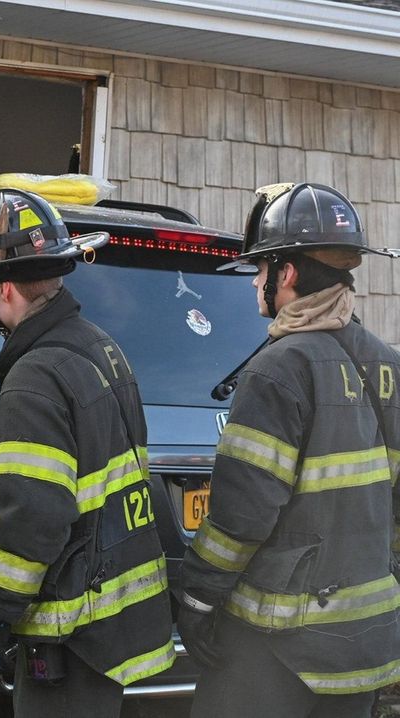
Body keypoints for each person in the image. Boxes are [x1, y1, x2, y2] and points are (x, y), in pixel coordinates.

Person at [0, 188, 175, 716]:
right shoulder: (101, 347)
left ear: (3, 289)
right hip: (116, 625)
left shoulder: (34, 377)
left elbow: (35, 518)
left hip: (71, 633)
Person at [178, 183, 400, 717]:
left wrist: (198, 597)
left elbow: (242, 516)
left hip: (277, 645)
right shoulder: (387, 364)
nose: (257, 281)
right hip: (364, 642)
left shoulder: (278, 369)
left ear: (289, 273)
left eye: (262, 268)